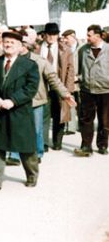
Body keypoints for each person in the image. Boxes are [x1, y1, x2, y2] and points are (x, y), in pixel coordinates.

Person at [0, 30, 40, 192]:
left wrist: (12, 101)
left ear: (20, 46)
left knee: (26, 147)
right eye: (5, 42)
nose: (8, 45)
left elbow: (31, 88)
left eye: (12, 43)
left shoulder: (29, 65)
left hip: (19, 112)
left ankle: (32, 174)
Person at [40, 22, 75, 151]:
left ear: (57, 35)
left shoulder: (65, 49)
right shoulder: (37, 48)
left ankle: (57, 141)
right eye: (49, 34)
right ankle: (43, 143)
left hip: (59, 86)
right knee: (43, 115)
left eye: (54, 34)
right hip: (42, 87)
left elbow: (70, 70)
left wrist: (68, 89)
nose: (51, 37)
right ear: (44, 34)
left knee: (60, 115)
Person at [75, 24, 109, 156]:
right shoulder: (83, 50)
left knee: (105, 119)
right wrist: (80, 78)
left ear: (98, 35)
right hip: (87, 89)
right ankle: (86, 145)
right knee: (86, 118)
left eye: (89, 35)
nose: (87, 37)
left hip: (105, 90)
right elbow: (78, 67)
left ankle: (102, 145)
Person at [62, 29, 80, 134]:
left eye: (66, 38)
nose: (64, 40)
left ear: (73, 37)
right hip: (69, 81)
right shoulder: (65, 49)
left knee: (82, 106)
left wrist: (80, 77)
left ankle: (81, 126)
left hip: (80, 81)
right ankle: (71, 127)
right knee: (70, 102)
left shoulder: (82, 48)